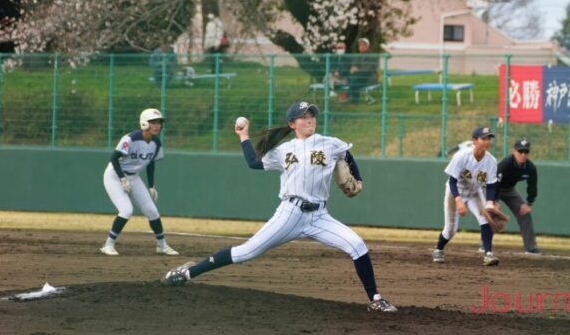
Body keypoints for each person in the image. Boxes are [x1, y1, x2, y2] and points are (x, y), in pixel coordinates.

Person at [161, 100, 398, 313]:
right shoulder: (284, 151)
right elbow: (254, 163)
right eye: (303, 117)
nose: (309, 120)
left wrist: (359, 180)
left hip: (319, 216)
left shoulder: (330, 144)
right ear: (292, 123)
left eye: (311, 115)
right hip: (290, 213)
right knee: (245, 252)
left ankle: (375, 299)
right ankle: (188, 272)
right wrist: (244, 137)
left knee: (357, 245)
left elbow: (348, 156)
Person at [100, 108, 180, 256]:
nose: (157, 125)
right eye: (153, 122)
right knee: (126, 210)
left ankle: (162, 245)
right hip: (114, 175)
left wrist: (151, 186)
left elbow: (150, 163)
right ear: (144, 123)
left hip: (133, 176)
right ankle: (108, 244)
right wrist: (122, 179)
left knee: (152, 211)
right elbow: (114, 158)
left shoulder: (156, 142)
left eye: (159, 122)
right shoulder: (131, 138)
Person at [432, 126, 500, 266]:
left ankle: (488, 254)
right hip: (455, 191)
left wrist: (490, 202)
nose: (487, 141)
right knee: (451, 229)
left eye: (489, 138)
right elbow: (452, 181)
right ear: (474, 141)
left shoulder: (491, 161)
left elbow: (492, 185)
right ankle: (438, 249)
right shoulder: (462, 156)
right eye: (483, 138)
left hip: (475, 192)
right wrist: (459, 201)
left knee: (485, 218)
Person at [496, 138, 541, 254]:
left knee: (525, 214)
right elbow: (494, 182)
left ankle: (530, 247)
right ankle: (484, 245)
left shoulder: (530, 168)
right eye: (520, 151)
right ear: (514, 151)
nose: (523, 154)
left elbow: (532, 186)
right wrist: (494, 201)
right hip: (493, 187)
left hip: (509, 190)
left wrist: (529, 203)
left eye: (526, 152)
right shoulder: (506, 163)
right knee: (491, 212)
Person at [346, 38, 379, 104]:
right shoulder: (357, 57)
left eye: (363, 45)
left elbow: (369, 69)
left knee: (354, 81)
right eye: (360, 45)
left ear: (367, 46)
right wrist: (352, 69)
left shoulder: (372, 57)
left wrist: (357, 70)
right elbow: (354, 66)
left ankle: (352, 99)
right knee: (353, 80)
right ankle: (354, 101)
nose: (361, 47)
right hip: (358, 78)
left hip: (369, 78)